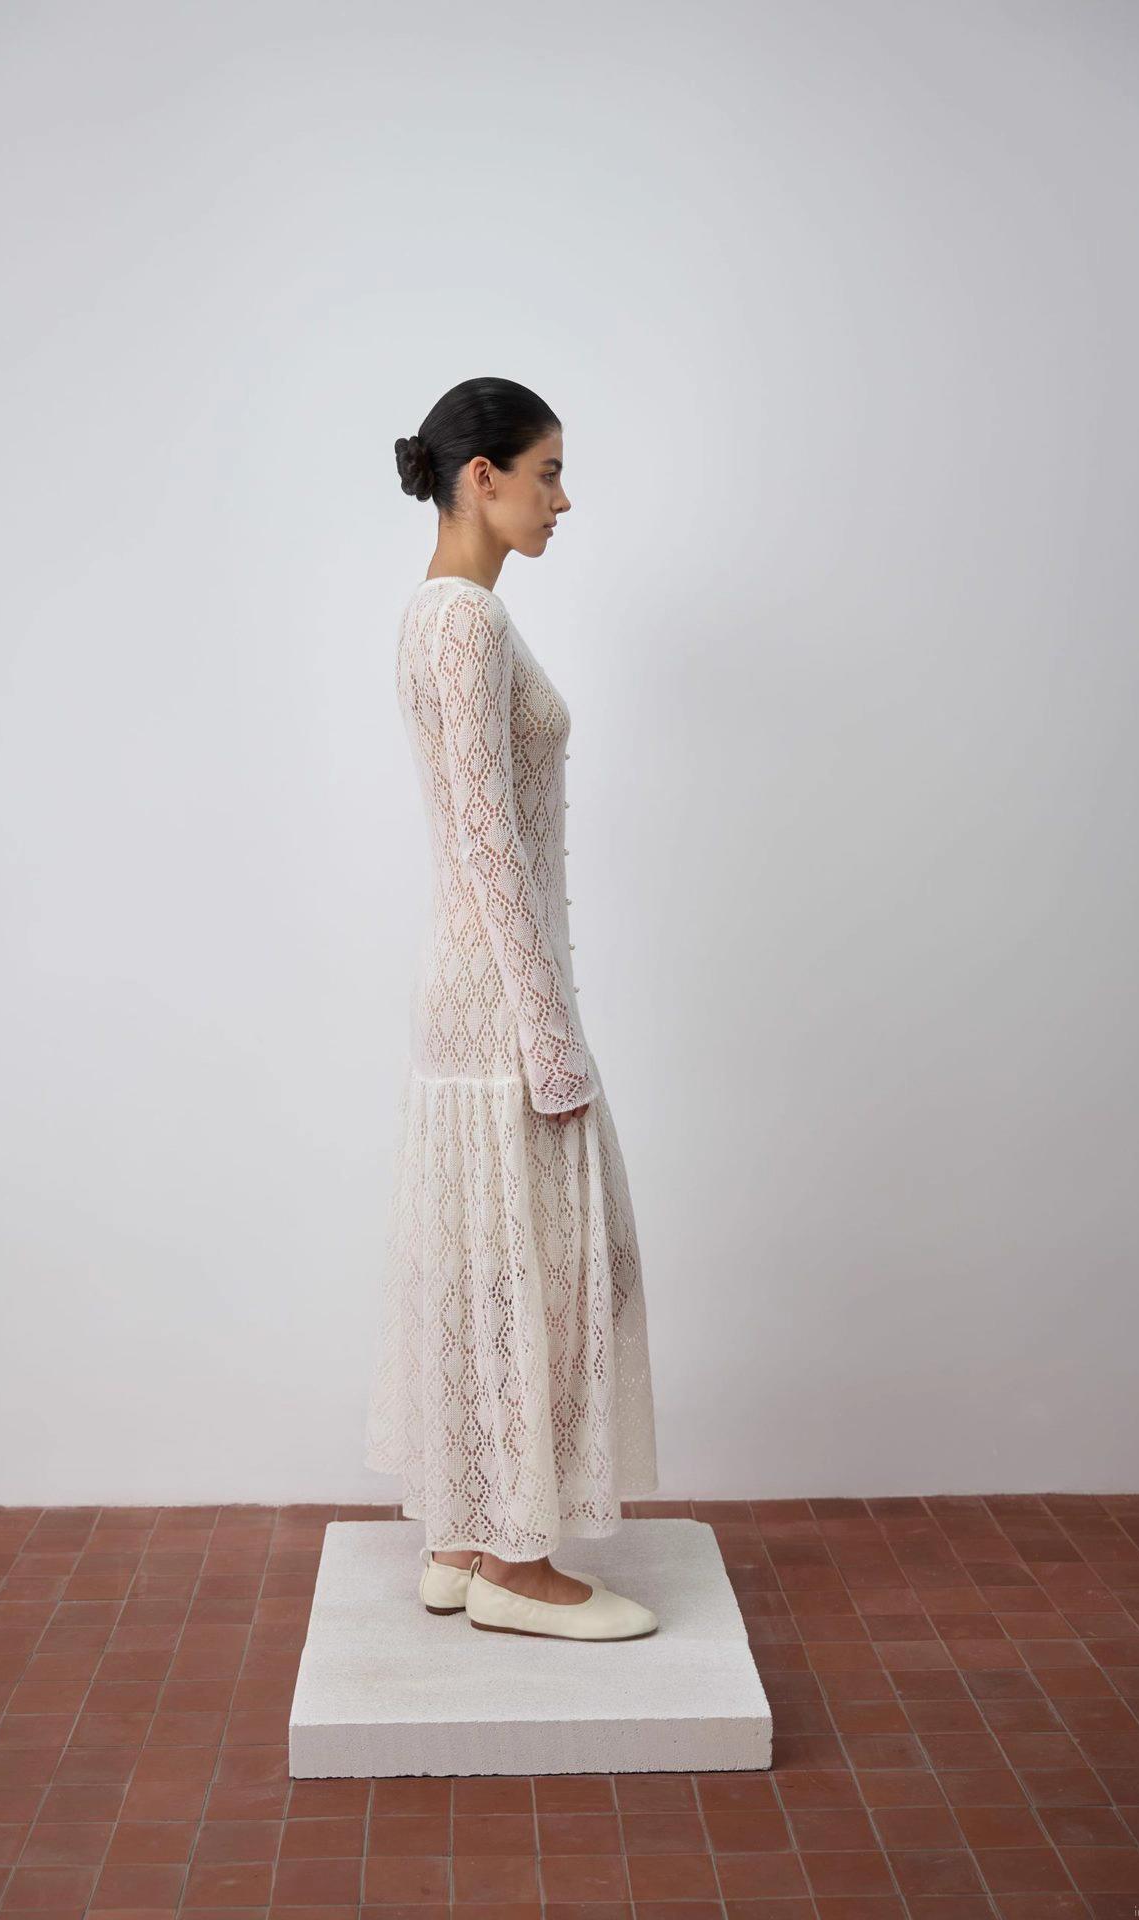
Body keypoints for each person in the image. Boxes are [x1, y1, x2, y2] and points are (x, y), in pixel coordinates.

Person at [362, 377, 659, 1641]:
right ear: (479, 478)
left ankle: (463, 1536)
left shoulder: (444, 615)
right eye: (546, 472)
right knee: (538, 1265)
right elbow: (491, 850)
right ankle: (518, 1569)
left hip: (473, 991)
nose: (562, 498)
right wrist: (550, 1035)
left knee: (485, 1258)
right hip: (498, 999)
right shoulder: (465, 622)